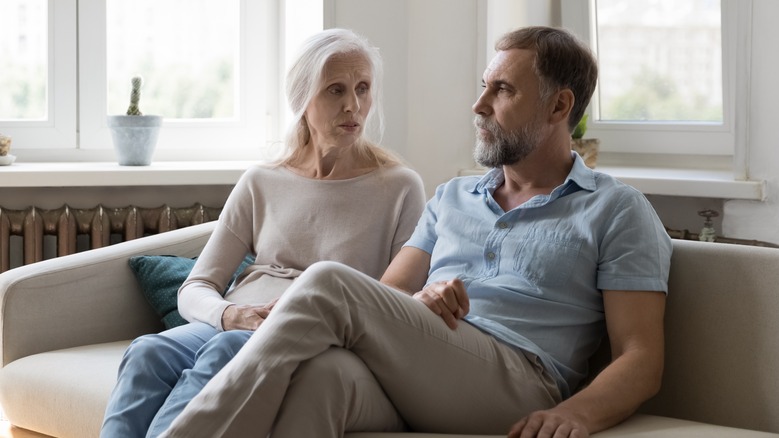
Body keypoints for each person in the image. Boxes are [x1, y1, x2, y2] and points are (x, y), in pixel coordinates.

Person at [157, 26, 672, 438]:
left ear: (559, 107)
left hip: (520, 379)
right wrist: (420, 302)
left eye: (503, 90)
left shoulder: (615, 209)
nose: (479, 105)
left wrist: (579, 413)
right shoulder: (452, 198)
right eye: (483, 86)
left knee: (328, 282)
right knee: (322, 380)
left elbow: (641, 357)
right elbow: (385, 298)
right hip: (430, 366)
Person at [99, 28, 426, 438]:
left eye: (363, 89)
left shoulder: (399, 186)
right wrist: (229, 313)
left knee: (223, 351)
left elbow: (398, 302)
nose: (353, 105)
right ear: (301, 99)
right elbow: (196, 286)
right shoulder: (261, 181)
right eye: (336, 90)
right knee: (147, 351)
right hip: (234, 322)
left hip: (309, 332)